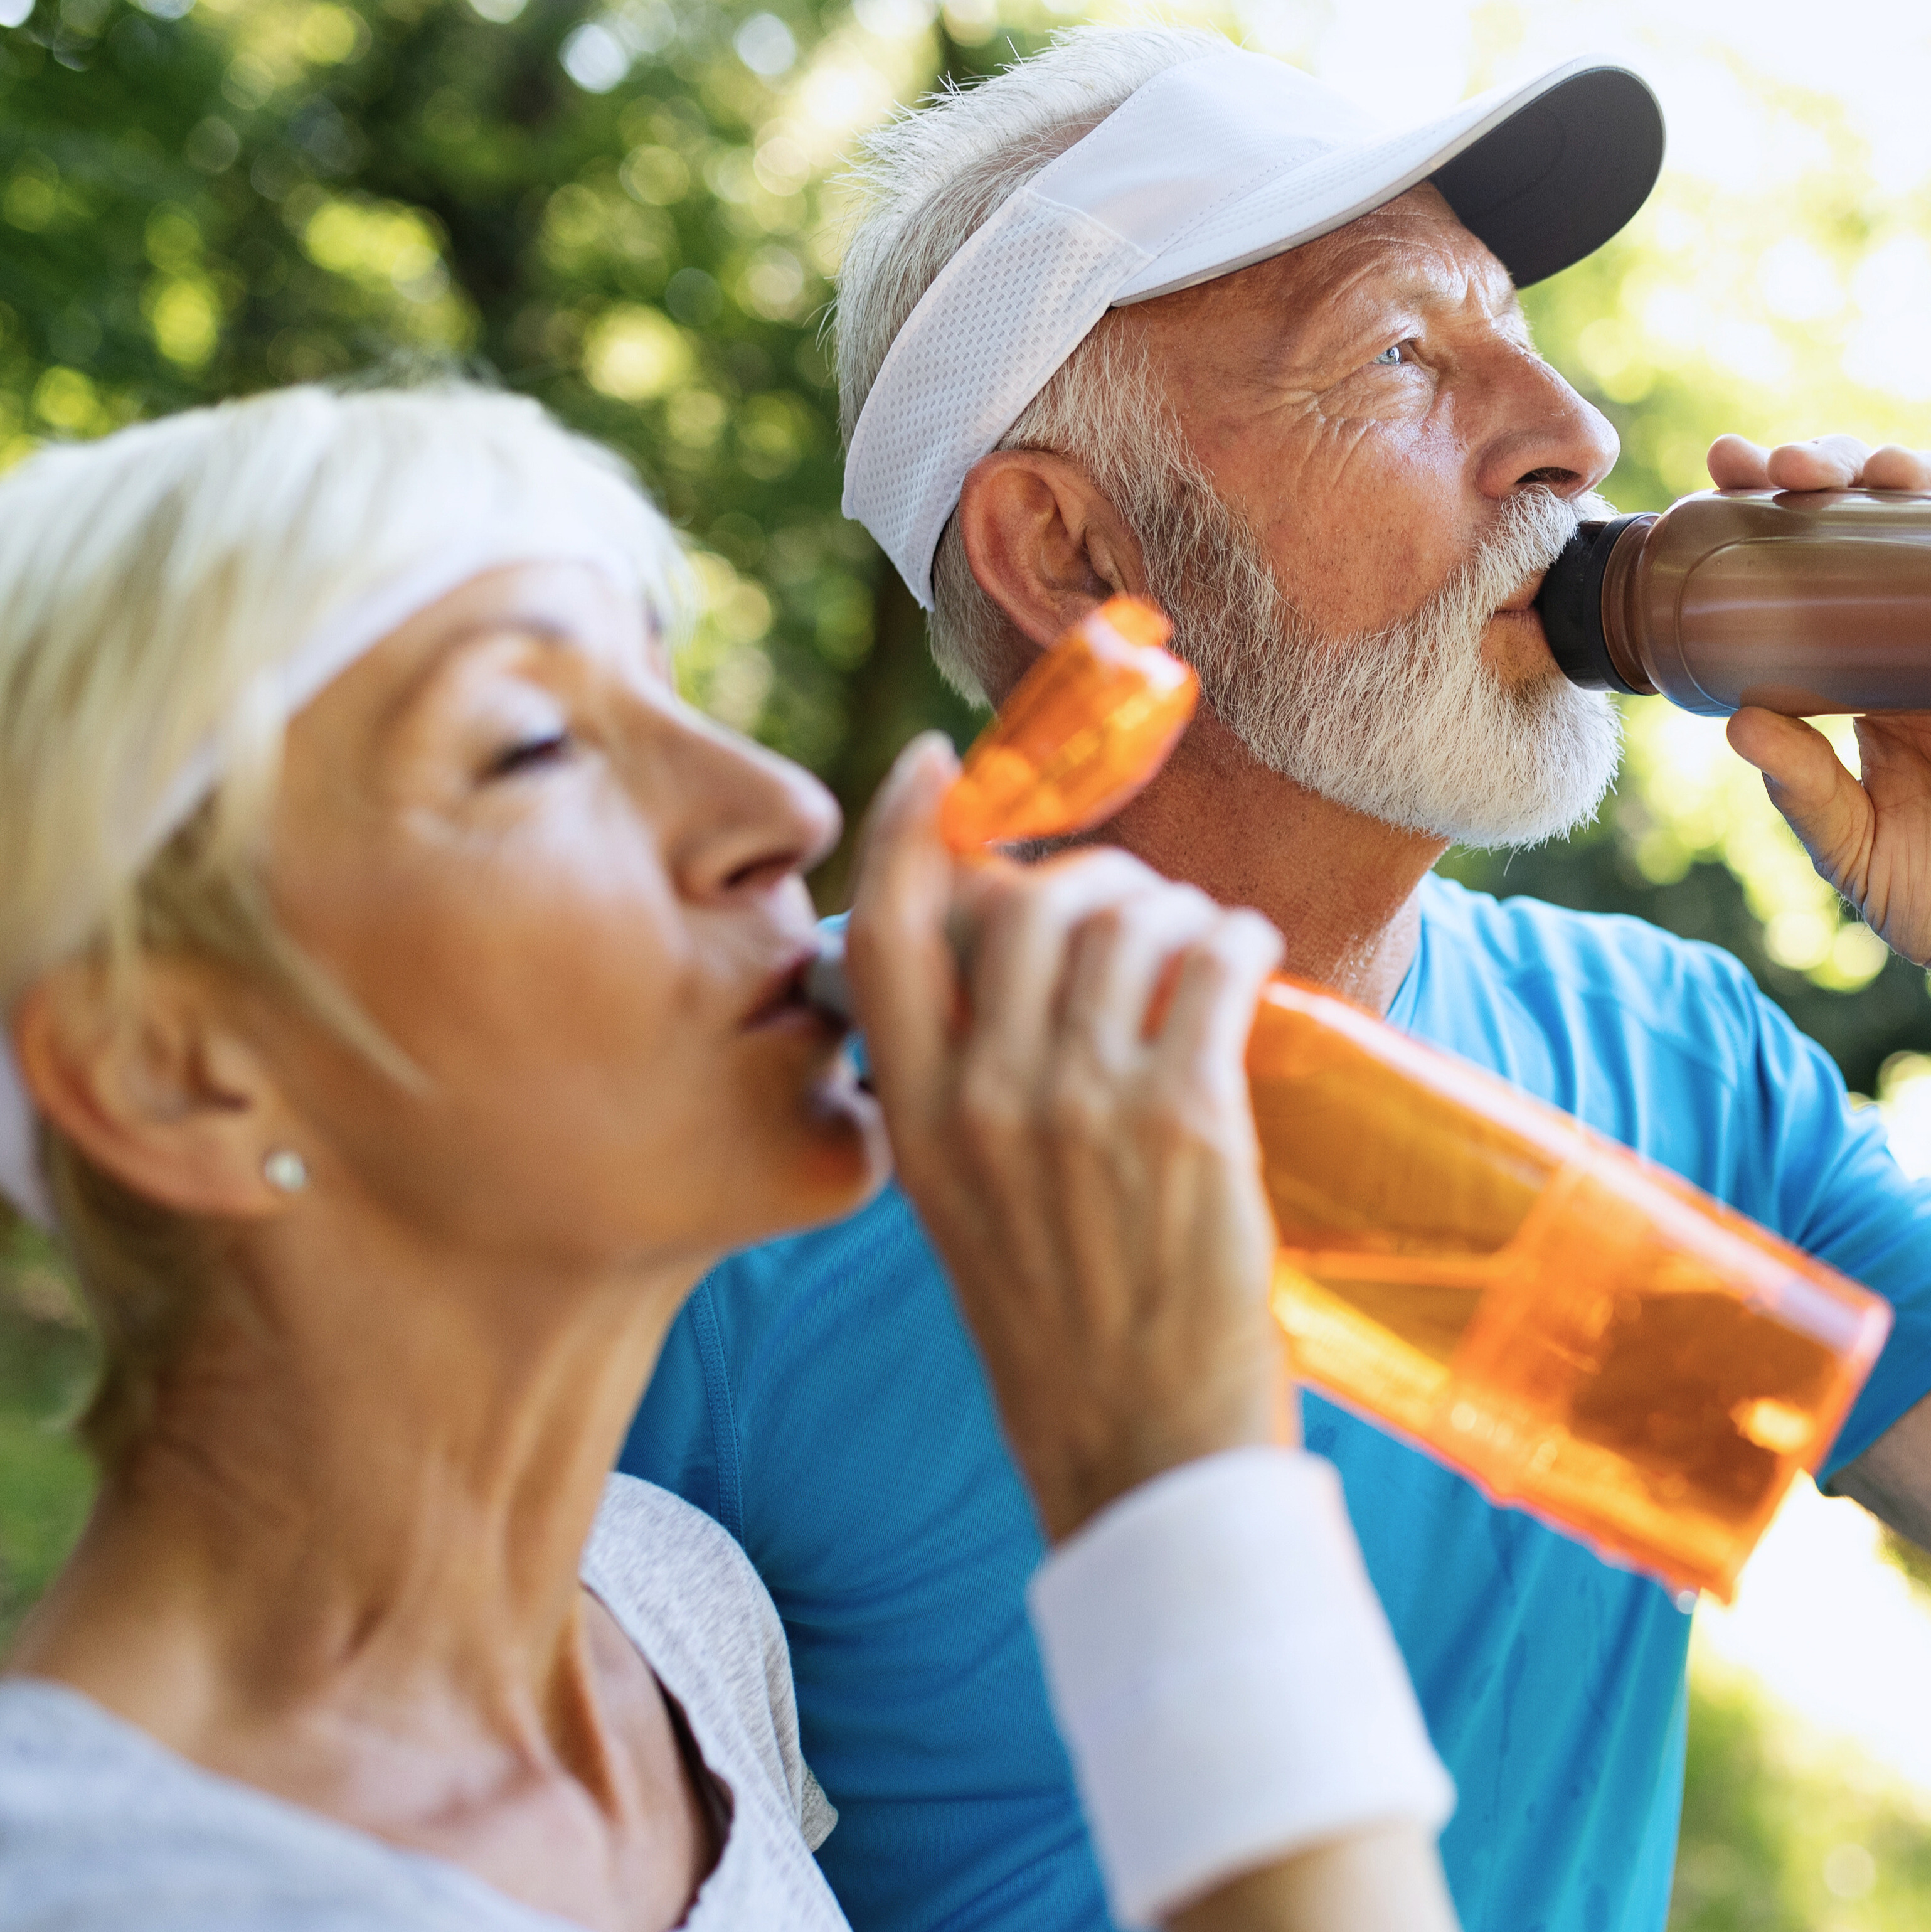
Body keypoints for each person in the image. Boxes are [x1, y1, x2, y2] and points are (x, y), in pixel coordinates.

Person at [622, 27, 1931, 1932]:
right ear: (1067, 552)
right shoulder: (715, 1162)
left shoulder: (1674, 1065)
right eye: (1400, 353)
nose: (1575, 427)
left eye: (1515, 328)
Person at [0, 382, 1464, 1932]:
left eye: (674, 698)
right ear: (177, 1075)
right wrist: (1171, 1482)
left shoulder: (669, 1617)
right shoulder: (116, 1886)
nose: (783, 809)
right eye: (535, 746)